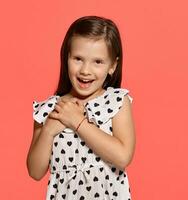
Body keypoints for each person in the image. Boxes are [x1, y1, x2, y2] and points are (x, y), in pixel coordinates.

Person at [27, 15, 136, 200]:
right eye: (78, 59)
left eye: (98, 62)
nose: (85, 70)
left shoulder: (116, 101)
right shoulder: (50, 109)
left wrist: (78, 122)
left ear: (113, 66)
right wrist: (47, 131)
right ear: (66, 57)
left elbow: (123, 156)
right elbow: (35, 172)